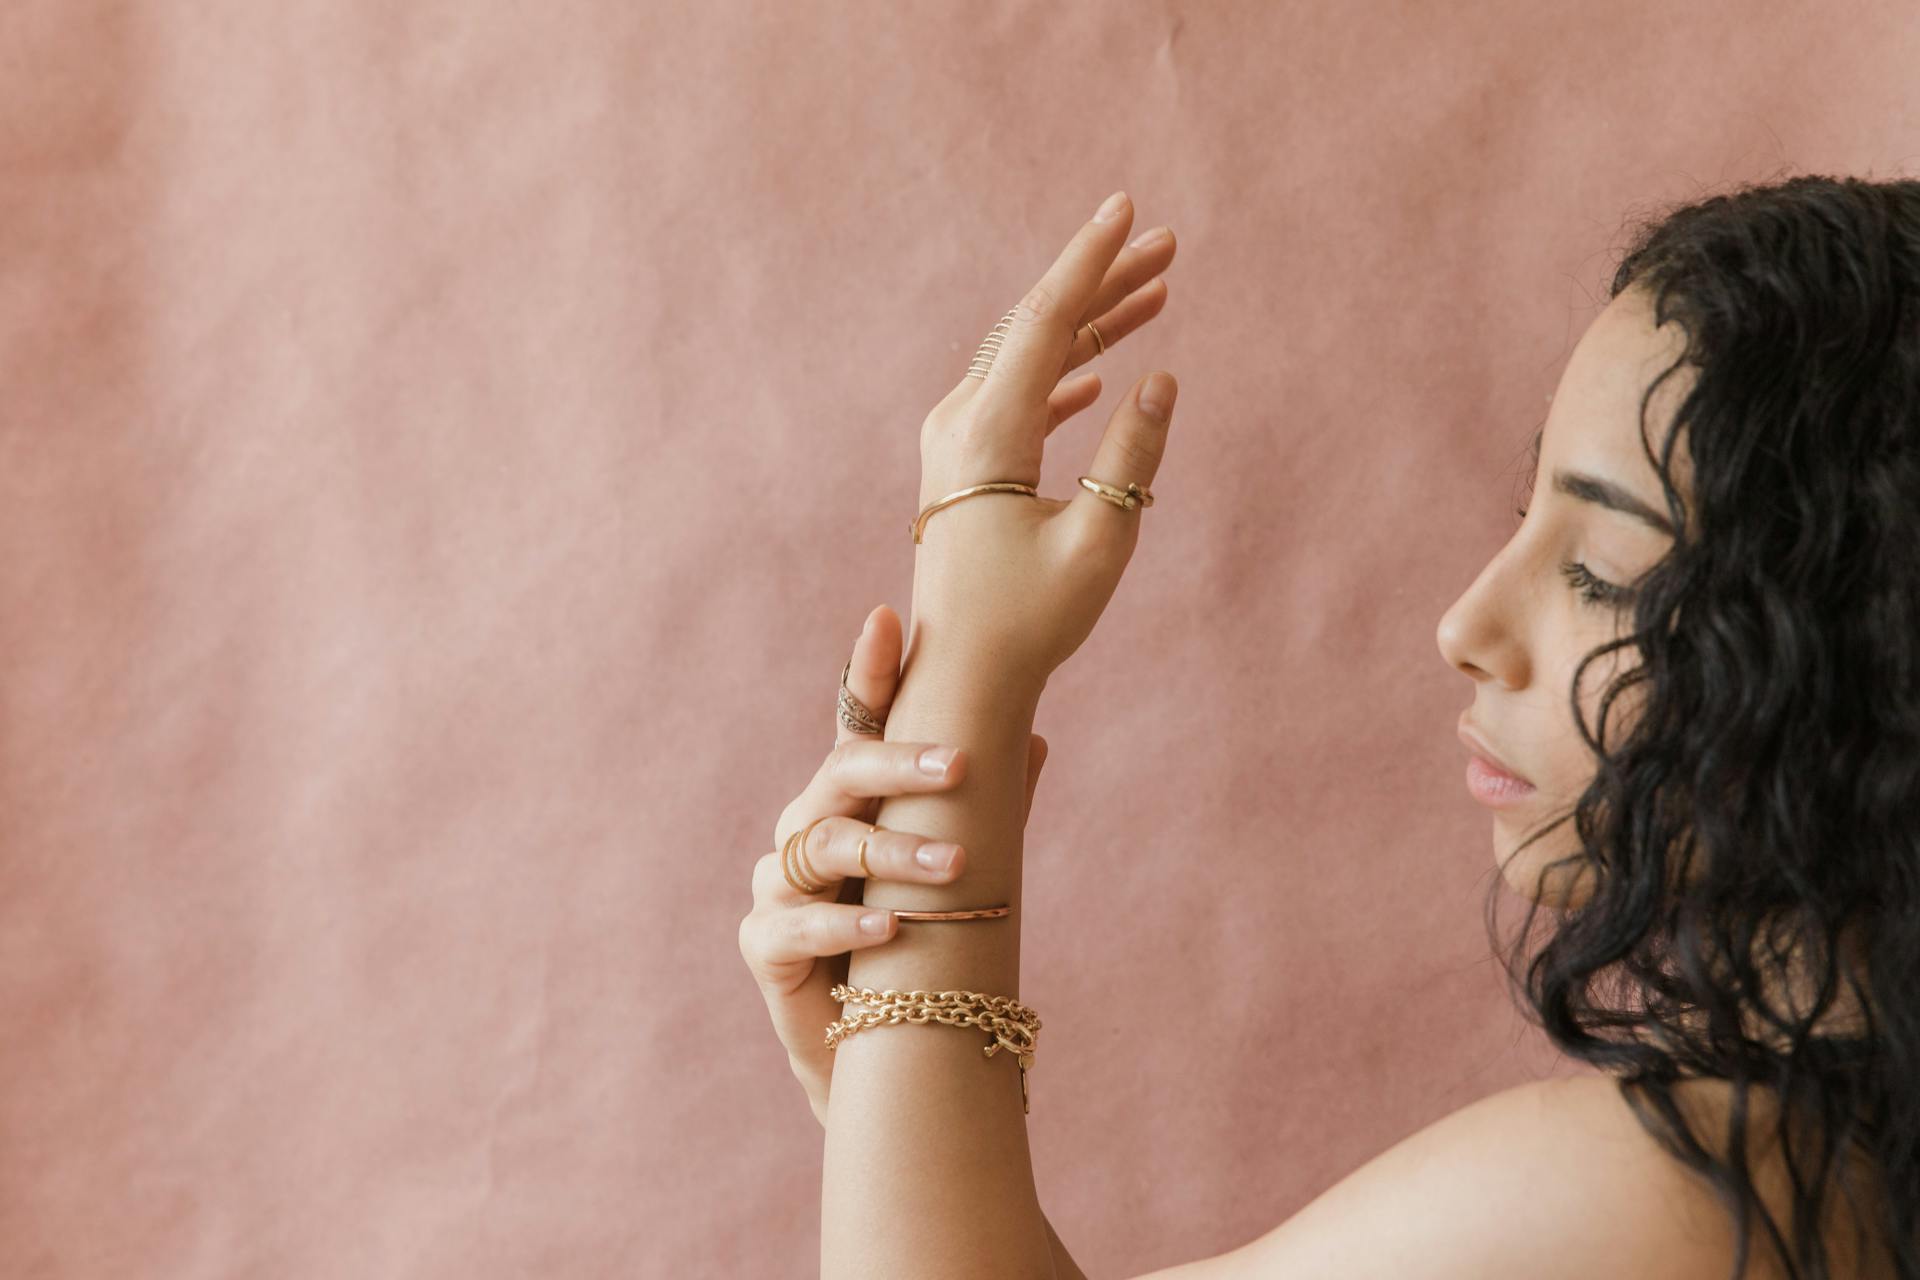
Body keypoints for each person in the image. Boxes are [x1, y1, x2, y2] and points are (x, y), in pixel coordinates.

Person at [736, 175, 1915, 1278]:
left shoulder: (1692, 1192)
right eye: (1525, 514)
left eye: (1600, 570)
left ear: (1864, 639)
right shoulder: (1821, 1172)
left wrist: (967, 676)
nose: (1466, 622)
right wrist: (881, 1083)